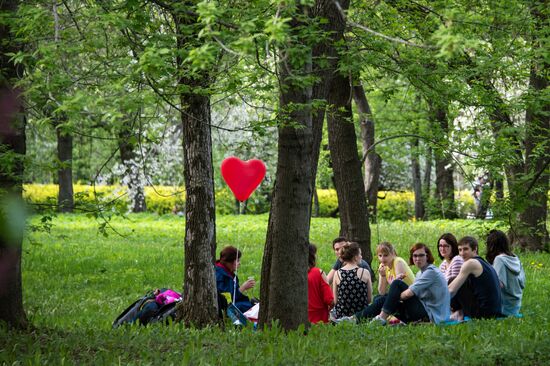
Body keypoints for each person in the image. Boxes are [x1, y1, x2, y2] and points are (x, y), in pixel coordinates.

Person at [343, 243, 449, 325]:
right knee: (381, 299)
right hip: (418, 310)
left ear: (428, 256)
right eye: (415, 256)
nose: (417, 258)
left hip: (431, 315)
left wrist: (392, 297)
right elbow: (382, 291)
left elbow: (408, 294)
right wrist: (383, 277)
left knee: (397, 284)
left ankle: (381, 318)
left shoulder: (430, 272)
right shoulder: (420, 273)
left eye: (421, 255)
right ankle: (354, 319)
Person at [448, 236, 502, 319]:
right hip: (495, 311)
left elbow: (451, 290)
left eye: (465, 249)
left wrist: (434, 301)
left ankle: (457, 313)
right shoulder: (484, 263)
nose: (462, 253)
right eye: (460, 250)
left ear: (475, 249)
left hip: (483, 314)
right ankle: (458, 312)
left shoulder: (470, 263)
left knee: (452, 280)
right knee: (456, 279)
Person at [486, 230, 525, 316]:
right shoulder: (515, 258)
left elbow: (498, 285)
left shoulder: (499, 259)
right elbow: (522, 283)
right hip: (515, 306)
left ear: (491, 245)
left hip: (504, 308)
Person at [332, 242, 372, 318]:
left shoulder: (337, 274)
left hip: (342, 314)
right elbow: (369, 299)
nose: (361, 256)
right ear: (355, 257)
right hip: (361, 315)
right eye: (360, 254)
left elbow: (336, 301)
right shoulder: (365, 272)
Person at [215, 246, 256, 313]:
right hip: (226, 309)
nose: (239, 263)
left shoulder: (229, 272)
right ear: (229, 261)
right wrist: (243, 288)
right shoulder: (219, 275)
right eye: (237, 261)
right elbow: (226, 300)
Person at [307, 244, 334, 323]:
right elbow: (328, 299)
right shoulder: (318, 272)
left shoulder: (294, 274)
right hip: (320, 319)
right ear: (313, 256)